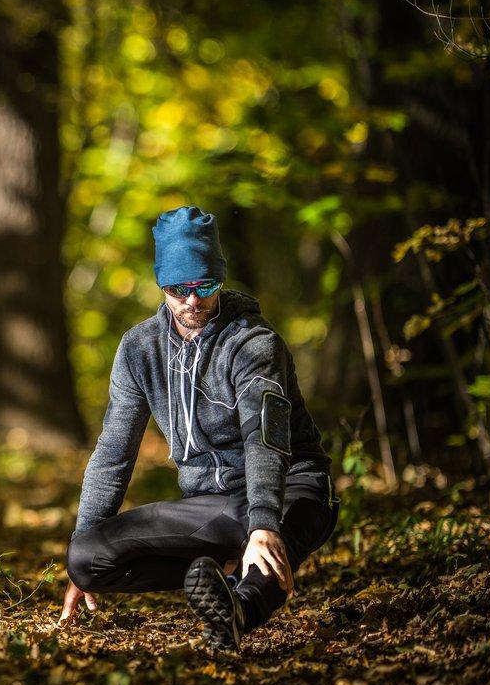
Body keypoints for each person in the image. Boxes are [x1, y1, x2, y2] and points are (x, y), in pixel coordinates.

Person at [58, 206, 339, 650]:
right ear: (161, 285)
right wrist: (84, 558)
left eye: (205, 286)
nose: (192, 301)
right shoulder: (140, 349)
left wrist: (264, 524)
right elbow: (113, 453)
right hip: (213, 504)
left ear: (220, 280)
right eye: (179, 289)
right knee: (86, 557)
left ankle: (237, 609)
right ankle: (227, 569)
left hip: (291, 488)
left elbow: (264, 439)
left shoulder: (254, 343)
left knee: (271, 543)